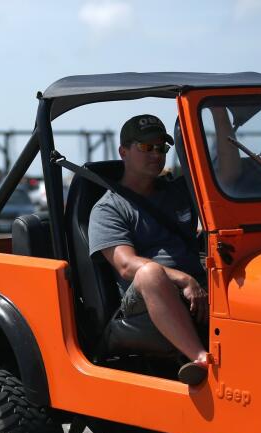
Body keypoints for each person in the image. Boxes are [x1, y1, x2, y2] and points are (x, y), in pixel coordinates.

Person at [88, 115, 209, 385]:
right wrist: (183, 279)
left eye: (161, 148)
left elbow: (227, 174)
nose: (156, 154)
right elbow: (126, 265)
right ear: (123, 152)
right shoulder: (109, 208)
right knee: (150, 272)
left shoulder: (178, 192)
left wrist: (223, 122)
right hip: (143, 299)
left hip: (197, 283)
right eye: (146, 147)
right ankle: (201, 359)